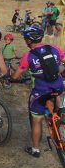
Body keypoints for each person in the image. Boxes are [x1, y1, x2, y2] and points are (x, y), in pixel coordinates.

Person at [11, 25, 65, 157]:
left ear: (29, 40)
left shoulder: (28, 55)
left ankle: (35, 149)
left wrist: (12, 78)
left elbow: (16, 76)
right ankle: (60, 113)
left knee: (36, 121)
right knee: (57, 98)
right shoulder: (53, 48)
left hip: (41, 91)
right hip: (58, 86)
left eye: (25, 39)